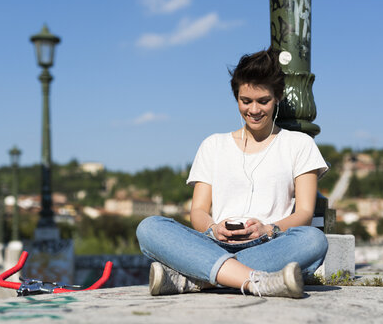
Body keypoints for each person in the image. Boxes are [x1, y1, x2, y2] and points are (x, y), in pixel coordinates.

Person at [136, 47, 329, 298]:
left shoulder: (299, 144)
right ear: (236, 98)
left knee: (314, 240)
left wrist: (267, 229)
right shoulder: (213, 145)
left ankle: (197, 279)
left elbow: (304, 213)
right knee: (149, 227)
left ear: (278, 97)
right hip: (214, 242)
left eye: (263, 101)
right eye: (245, 101)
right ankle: (254, 280)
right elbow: (198, 211)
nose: (254, 110)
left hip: (270, 243)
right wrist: (215, 228)